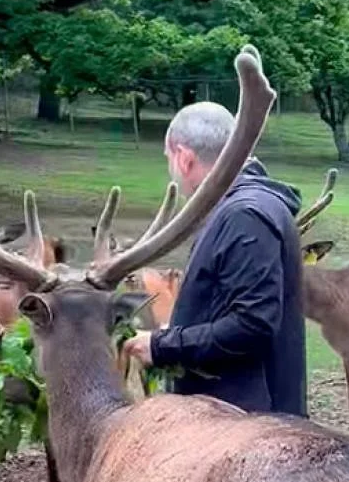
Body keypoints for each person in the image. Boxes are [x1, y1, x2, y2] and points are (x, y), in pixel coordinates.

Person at [123, 101, 307, 417]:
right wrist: (179, 329)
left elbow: (252, 324)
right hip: (238, 425)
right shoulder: (240, 210)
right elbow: (235, 307)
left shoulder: (245, 216)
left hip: (249, 432)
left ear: (184, 158)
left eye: (168, 160)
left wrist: (163, 347)